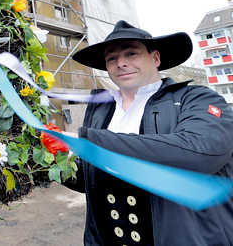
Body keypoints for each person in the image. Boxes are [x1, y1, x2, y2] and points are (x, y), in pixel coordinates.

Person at [63, 20, 233, 245]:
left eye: (131, 53)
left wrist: (90, 141)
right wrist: (52, 163)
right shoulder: (100, 111)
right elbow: (93, 181)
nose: (120, 63)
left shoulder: (197, 98)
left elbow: (201, 153)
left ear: (155, 58)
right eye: (111, 58)